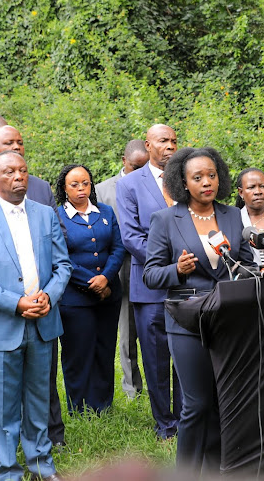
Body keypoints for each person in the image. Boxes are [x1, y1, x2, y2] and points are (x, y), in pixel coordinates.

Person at [0, 151, 72, 481]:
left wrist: (48, 295)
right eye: (9, 172)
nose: (18, 176)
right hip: (2, 326)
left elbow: (62, 264)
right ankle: (9, 470)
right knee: (5, 406)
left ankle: (41, 465)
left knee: (39, 399)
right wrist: (16, 302)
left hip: (43, 323)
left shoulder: (44, 214)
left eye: (23, 170)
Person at [144, 147, 256, 473]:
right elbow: (151, 275)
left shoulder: (234, 215)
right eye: (198, 178)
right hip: (187, 318)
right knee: (196, 403)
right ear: (183, 181)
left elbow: (244, 264)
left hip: (228, 317)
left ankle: (218, 470)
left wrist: (257, 269)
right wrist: (176, 270)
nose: (207, 182)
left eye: (212, 175)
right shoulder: (165, 219)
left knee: (223, 401)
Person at [115, 124, 182, 439]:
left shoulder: (187, 176)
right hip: (151, 284)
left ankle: (187, 419)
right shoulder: (130, 184)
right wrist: (169, 265)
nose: (170, 146)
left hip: (189, 285)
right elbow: (130, 236)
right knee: (156, 358)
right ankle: (165, 423)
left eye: (173, 140)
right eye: (163, 140)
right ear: (148, 144)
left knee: (186, 355)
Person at [55, 164, 125, 413]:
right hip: (74, 298)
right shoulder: (57, 216)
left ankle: (103, 404)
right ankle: (79, 405)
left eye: (85, 183)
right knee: (78, 352)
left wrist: (106, 278)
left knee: (104, 348)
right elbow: (60, 256)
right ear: (64, 188)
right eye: (74, 184)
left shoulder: (105, 211)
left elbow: (118, 248)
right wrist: (91, 283)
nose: (81, 189)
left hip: (109, 295)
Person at [95, 140, 149, 399]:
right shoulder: (103, 190)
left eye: (144, 166)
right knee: (126, 329)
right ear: (123, 160)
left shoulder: (154, 185)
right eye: (135, 166)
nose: (140, 172)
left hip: (149, 262)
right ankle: (132, 387)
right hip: (117, 266)